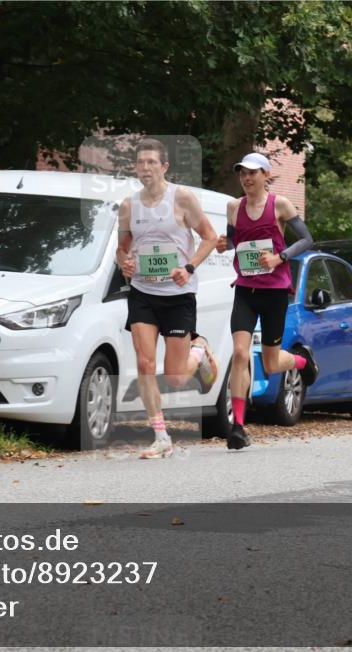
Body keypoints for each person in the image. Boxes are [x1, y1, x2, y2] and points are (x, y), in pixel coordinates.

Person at [117, 138, 219, 459]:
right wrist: (125, 262)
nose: (145, 167)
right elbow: (122, 249)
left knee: (174, 377)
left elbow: (210, 236)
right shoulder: (128, 206)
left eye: (151, 162)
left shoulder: (182, 198)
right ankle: (161, 436)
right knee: (145, 362)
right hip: (143, 294)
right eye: (140, 162)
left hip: (178, 296)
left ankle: (199, 352)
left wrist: (188, 268)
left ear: (164, 167)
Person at [216, 152, 319, 450]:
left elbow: (307, 239)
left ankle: (301, 360)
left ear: (265, 175)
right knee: (239, 353)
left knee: (272, 364)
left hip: (274, 292)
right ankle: (238, 426)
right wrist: (226, 244)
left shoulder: (280, 205)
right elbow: (236, 240)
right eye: (242, 173)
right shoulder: (233, 207)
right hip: (246, 289)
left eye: (252, 173)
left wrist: (279, 257)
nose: (246, 178)